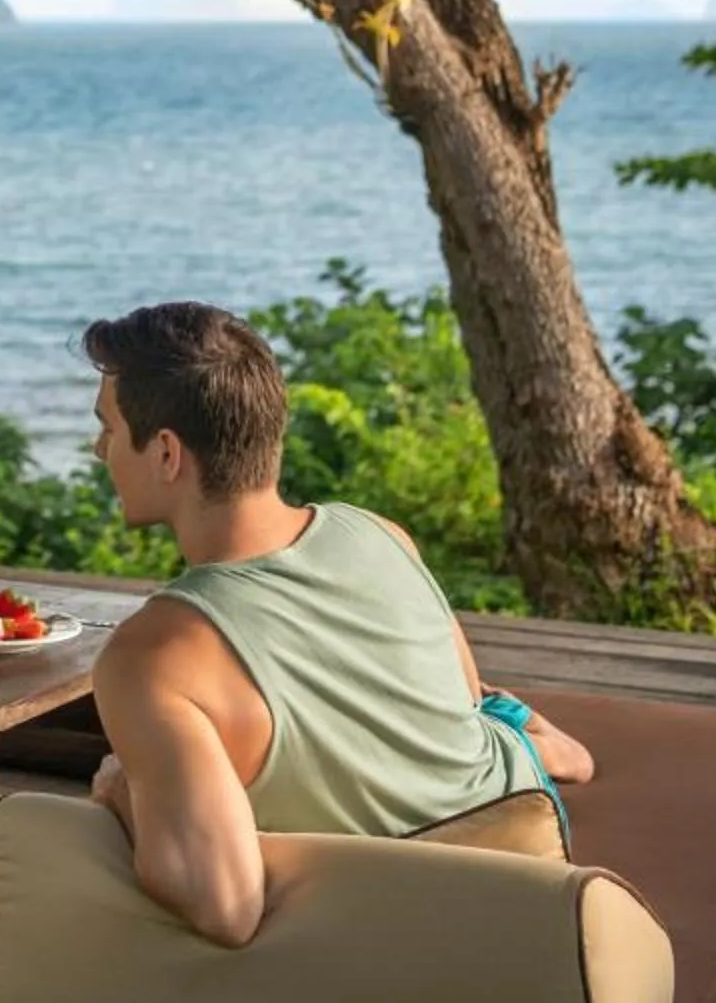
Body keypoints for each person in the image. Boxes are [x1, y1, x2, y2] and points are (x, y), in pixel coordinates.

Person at [75, 301, 595, 947]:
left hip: (418, 933)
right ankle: (543, 746)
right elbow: (463, 705)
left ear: (165, 453)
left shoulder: (150, 656)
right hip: (535, 863)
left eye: (108, 429)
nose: (100, 450)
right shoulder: (380, 534)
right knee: (490, 715)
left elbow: (226, 909)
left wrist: (120, 789)